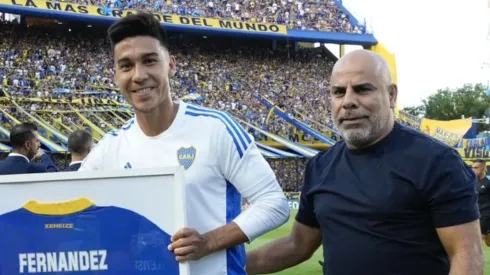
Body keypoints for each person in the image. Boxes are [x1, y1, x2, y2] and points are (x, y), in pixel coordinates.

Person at [78, 12, 289, 275]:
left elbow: (274, 204)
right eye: (126, 65)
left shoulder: (216, 128)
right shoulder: (108, 151)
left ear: (171, 65)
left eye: (150, 61)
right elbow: (74, 216)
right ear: (115, 76)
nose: (139, 75)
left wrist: (208, 242)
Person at [245, 49, 484, 275]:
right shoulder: (320, 167)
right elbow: (297, 245)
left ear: (391, 95)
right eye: (339, 92)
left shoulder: (437, 162)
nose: (348, 101)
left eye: (362, 89)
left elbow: (465, 255)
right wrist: (225, 266)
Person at [472, 159, 490, 246]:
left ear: (483, 169)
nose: (473, 170)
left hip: (486, 215)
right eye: (472, 168)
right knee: (488, 242)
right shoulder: (473, 182)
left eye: (476, 168)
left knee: (476, 240)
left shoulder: (488, 182)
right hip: (476, 213)